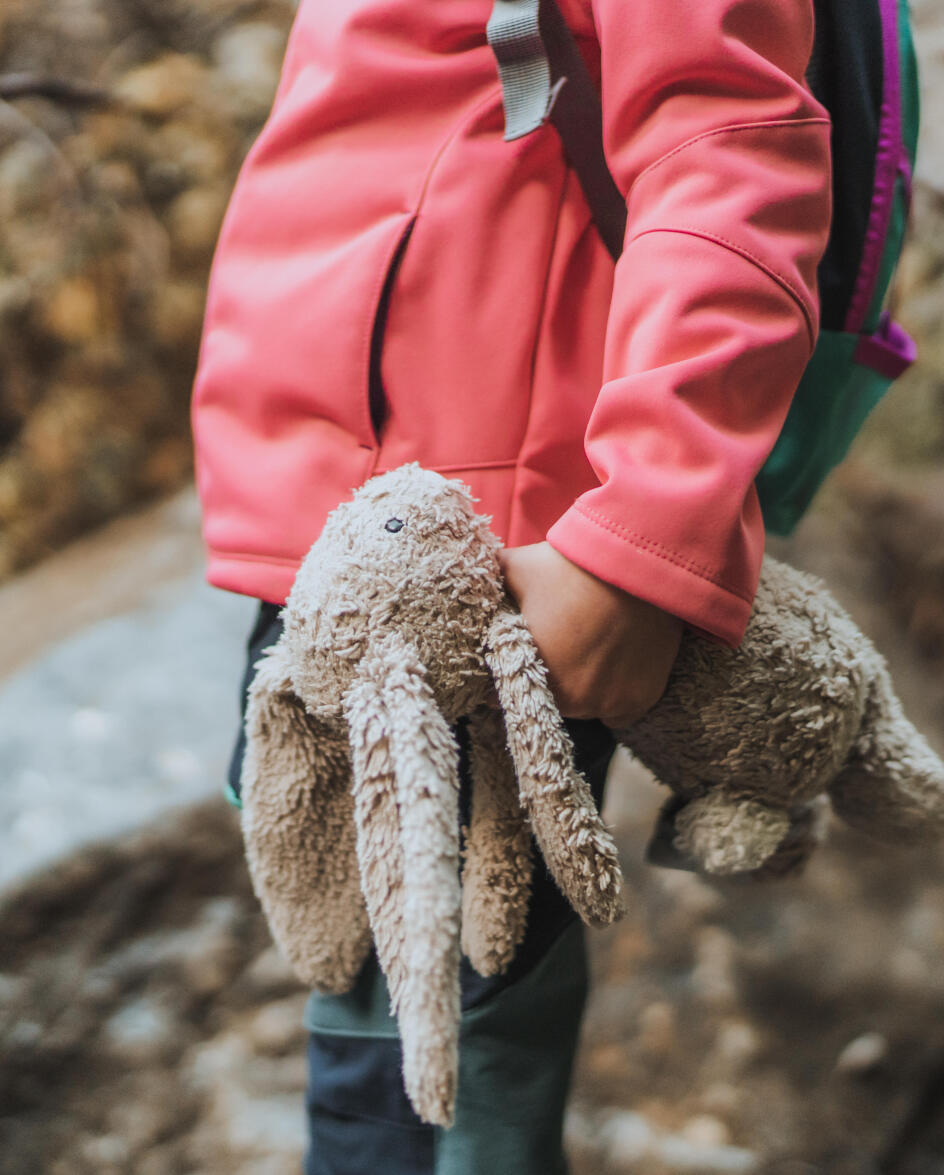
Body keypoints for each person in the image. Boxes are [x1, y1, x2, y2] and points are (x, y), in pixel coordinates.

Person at [190, 0, 833, 1167]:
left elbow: (722, 142)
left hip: (479, 548)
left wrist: (642, 530)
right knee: (371, 990)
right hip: (349, 514)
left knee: (428, 1023)